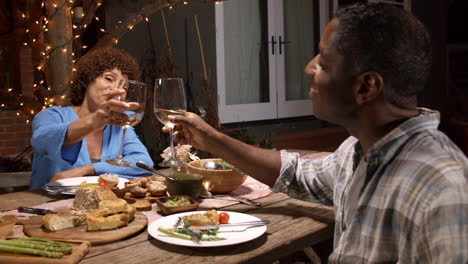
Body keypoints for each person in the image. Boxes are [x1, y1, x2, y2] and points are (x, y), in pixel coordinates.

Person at [163, 3, 468, 263]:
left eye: (322, 61)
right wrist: (210, 139)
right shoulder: (357, 151)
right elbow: (295, 173)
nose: (309, 68)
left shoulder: (442, 191)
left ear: (365, 87)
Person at [30, 47, 153, 189]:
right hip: (45, 206)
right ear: (88, 79)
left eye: (124, 87)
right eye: (108, 79)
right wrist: (92, 122)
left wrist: (89, 169)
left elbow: (144, 163)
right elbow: (41, 141)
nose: (117, 90)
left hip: (99, 207)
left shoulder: (119, 126)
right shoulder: (52, 115)